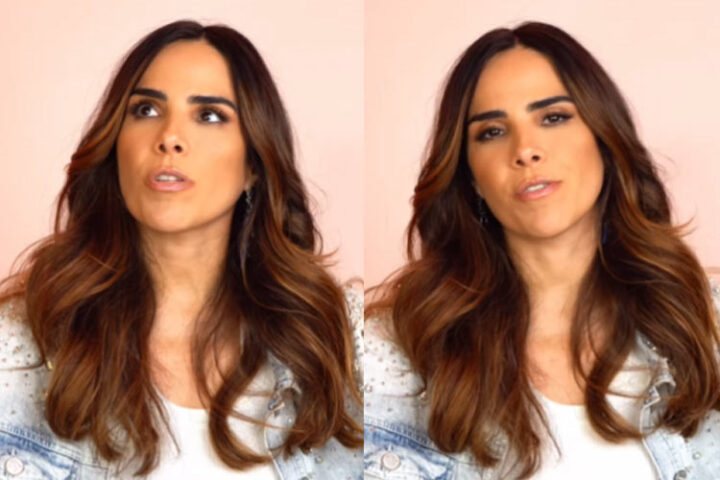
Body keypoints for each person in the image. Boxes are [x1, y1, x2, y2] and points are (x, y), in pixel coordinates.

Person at [0, 20, 363, 479]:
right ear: (116, 145)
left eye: (209, 115)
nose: (169, 137)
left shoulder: (336, 341)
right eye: (146, 109)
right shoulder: (18, 347)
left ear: (253, 165)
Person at [364, 21, 720, 480]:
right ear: (471, 176)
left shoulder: (703, 321)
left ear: (604, 139)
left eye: (553, 118)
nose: (526, 150)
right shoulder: (393, 355)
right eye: (492, 131)